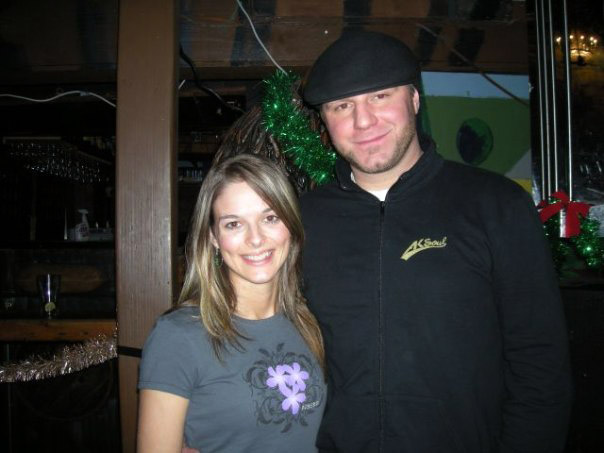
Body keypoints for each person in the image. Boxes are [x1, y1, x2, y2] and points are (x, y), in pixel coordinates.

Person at [300, 30, 572, 452]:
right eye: (342, 106)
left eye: (380, 96)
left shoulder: (495, 205)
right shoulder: (301, 220)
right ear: (325, 120)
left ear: (414, 99)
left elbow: (539, 361)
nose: (363, 121)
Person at [137, 154, 326, 453]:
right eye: (234, 224)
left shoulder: (311, 319)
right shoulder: (177, 336)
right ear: (213, 237)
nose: (256, 239)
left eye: (270, 218)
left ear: (290, 224)